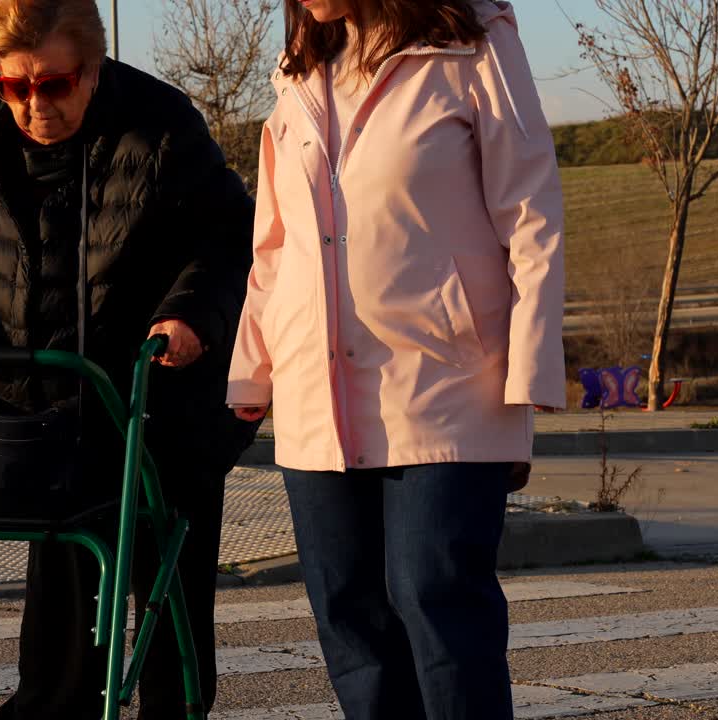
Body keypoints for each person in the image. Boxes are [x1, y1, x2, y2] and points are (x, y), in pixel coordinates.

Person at [0, 1, 257, 717]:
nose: (34, 106)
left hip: (159, 401)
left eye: (55, 85)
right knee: (64, 611)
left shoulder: (161, 123)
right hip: (41, 415)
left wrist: (189, 314)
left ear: (92, 67)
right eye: (14, 86)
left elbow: (226, 240)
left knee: (167, 598)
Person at [227, 0, 565, 717]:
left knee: (434, 597)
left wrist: (532, 367)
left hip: (450, 386)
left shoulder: (472, 42)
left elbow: (532, 212)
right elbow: (275, 244)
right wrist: (250, 370)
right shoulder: (299, 73)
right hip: (315, 395)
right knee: (349, 616)